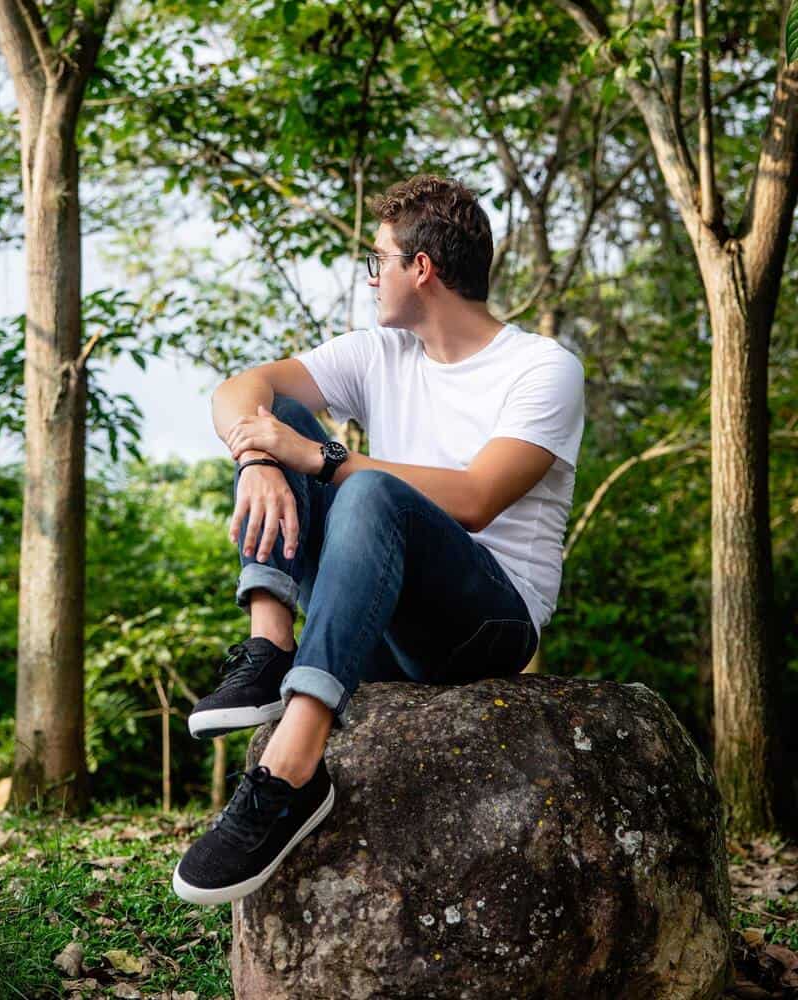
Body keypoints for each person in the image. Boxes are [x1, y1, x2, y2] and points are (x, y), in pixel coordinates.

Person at [172, 174, 584, 905]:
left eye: (378, 261)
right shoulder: (379, 353)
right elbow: (239, 389)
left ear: (420, 269)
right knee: (285, 420)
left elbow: (478, 498)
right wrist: (259, 457)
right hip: (385, 614)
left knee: (362, 483)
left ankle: (292, 772)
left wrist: (324, 460)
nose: (369, 278)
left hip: (487, 621)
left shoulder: (542, 369)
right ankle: (270, 646)